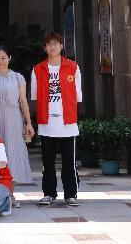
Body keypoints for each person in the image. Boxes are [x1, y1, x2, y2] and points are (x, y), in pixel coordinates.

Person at [31, 32, 83, 206]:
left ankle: (71, 194)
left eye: (56, 43)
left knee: (69, 162)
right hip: (47, 123)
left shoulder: (73, 67)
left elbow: (77, 96)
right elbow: (35, 96)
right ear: (44, 48)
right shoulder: (37, 70)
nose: (52, 47)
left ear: (61, 46)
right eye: (49, 44)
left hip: (67, 123)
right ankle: (49, 193)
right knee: (48, 162)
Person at [0, 45, 35, 201]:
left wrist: (28, 123)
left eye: (3, 58)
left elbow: (23, 102)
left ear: (9, 58)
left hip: (14, 120)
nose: (0, 61)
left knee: (12, 155)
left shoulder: (17, 77)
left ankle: (10, 194)